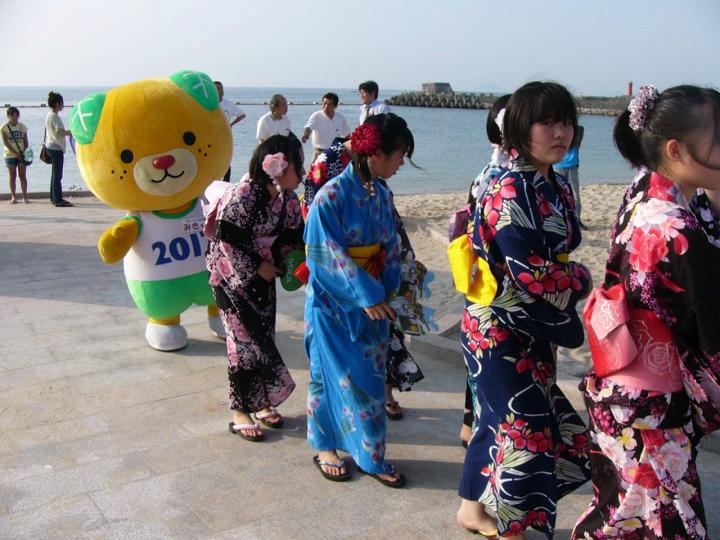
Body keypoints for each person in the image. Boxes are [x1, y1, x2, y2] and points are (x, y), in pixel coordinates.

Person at [572, 85, 720, 540]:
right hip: (655, 403)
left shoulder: (645, 192)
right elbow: (713, 338)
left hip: (620, 382)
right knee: (656, 522)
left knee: (623, 509)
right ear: (676, 149)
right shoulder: (679, 232)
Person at [456, 81, 592, 538]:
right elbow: (529, 272)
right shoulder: (511, 186)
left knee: (498, 424)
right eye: (547, 122)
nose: (560, 132)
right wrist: (585, 280)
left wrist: (568, 278)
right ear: (518, 127)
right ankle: (515, 529)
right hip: (499, 326)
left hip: (532, 324)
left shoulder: (553, 181)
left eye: (566, 121)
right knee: (524, 431)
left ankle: (470, 510)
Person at [304, 114, 414, 487]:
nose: (401, 163)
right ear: (377, 153)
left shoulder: (381, 193)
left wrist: (390, 289)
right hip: (334, 304)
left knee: (369, 378)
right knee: (327, 376)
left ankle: (370, 453)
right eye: (399, 155)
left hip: (375, 301)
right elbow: (324, 252)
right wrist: (363, 293)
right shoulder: (330, 196)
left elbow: (391, 247)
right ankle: (325, 446)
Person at [205, 134, 305, 442]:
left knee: (263, 339)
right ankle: (240, 412)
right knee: (241, 346)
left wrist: (290, 258)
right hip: (230, 276)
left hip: (263, 278)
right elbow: (225, 237)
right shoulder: (245, 192)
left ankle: (261, 403)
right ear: (277, 167)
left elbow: (291, 234)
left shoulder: (287, 197)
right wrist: (255, 267)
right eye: (296, 165)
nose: (301, 172)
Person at [459, 94, 512, 447]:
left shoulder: (487, 172)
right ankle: (481, 426)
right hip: (501, 283)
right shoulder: (502, 177)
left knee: (481, 359)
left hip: (481, 280)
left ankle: (470, 422)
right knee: (494, 358)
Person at [301, 93, 350, 163]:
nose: (326, 106)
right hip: (319, 152)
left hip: (334, 153)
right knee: (314, 173)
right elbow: (308, 127)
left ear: (335, 106)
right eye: (324, 104)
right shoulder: (316, 115)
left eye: (329, 104)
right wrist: (306, 135)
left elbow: (347, 135)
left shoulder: (340, 118)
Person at [555, 124, 587, 229]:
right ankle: (562, 220)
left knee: (575, 194)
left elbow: (578, 140)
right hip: (558, 165)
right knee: (559, 194)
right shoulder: (559, 129)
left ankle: (578, 220)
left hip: (572, 166)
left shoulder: (579, 129)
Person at [214, 81, 246, 182]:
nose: (220, 91)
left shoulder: (228, 104)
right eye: (218, 89)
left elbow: (242, 115)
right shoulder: (209, 104)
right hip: (211, 137)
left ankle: (226, 182)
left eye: (221, 88)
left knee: (226, 160)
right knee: (213, 159)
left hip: (225, 136)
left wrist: (231, 124)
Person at [45, 91, 73, 207]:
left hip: (50, 146)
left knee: (54, 174)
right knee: (58, 175)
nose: (63, 105)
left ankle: (53, 197)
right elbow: (60, 132)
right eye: (61, 103)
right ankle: (57, 199)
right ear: (57, 104)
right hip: (56, 148)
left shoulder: (49, 114)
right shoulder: (55, 116)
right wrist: (72, 132)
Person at [2, 106, 30, 204]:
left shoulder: (22, 126)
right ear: (8, 116)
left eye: (16, 115)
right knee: (12, 176)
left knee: (22, 175)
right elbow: (6, 142)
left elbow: (25, 141)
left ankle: (24, 197)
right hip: (9, 155)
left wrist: (24, 152)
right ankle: (13, 197)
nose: (14, 117)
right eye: (12, 115)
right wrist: (15, 153)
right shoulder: (4, 127)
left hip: (21, 154)